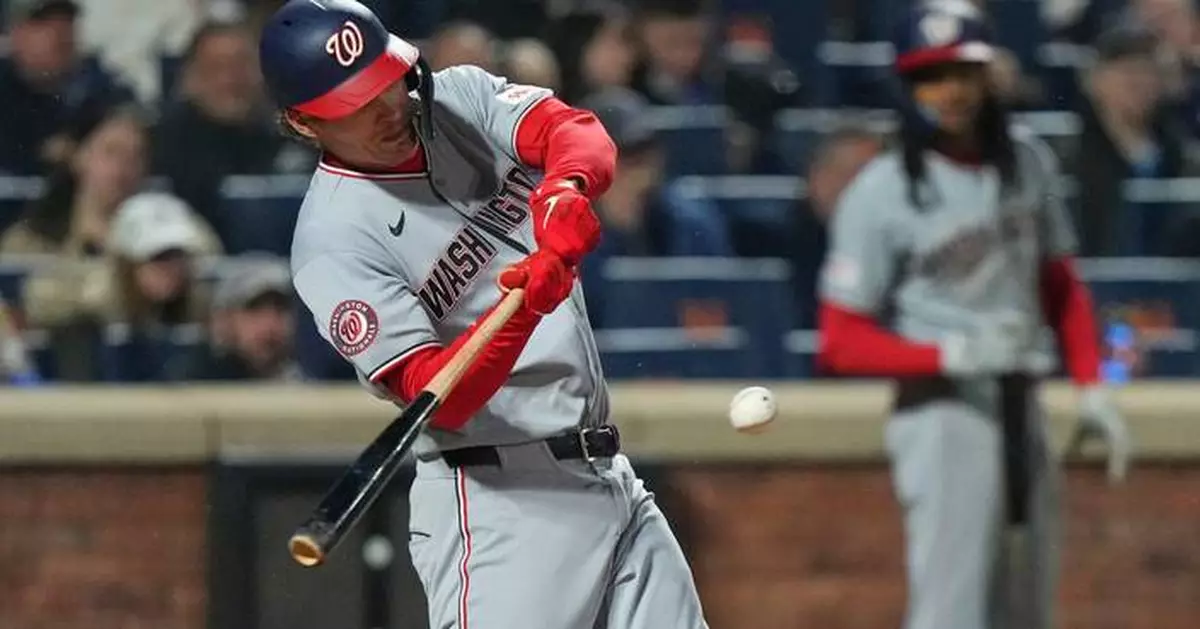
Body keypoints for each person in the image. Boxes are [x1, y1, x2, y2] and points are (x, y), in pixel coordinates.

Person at [258, 3, 708, 629]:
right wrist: (526, 306)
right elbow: (435, 396)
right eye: (355, 103)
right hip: (501, 506)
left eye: (386, 81)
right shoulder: (331, 242)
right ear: (303, 122)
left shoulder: (456, 98)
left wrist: (565, 188)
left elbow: (573, 129)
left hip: (608, 474)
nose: (387, 107)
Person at [815, 3, 1132, 629]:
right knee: (951, 611)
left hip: (1022, 402)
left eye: (962, 71)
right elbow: (839, 340)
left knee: (1027, 608)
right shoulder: (880, 190)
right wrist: (947, 356)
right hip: (942, 412)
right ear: (908, 88)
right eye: (931, 76)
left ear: (989, 75)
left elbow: (1060, 282)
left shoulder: (1028, 161)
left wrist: (1093, 382)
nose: (950, 91)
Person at [0, 0, 134, 175]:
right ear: (16, 32)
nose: (58, 32)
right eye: (42, 23)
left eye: (66, 21)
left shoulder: (96, 87)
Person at [170, 254, 301, 381]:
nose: (270, 324)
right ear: (224, 319)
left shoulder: (310, 384)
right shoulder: (191, 384)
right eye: (254, 309)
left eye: (281, 309)